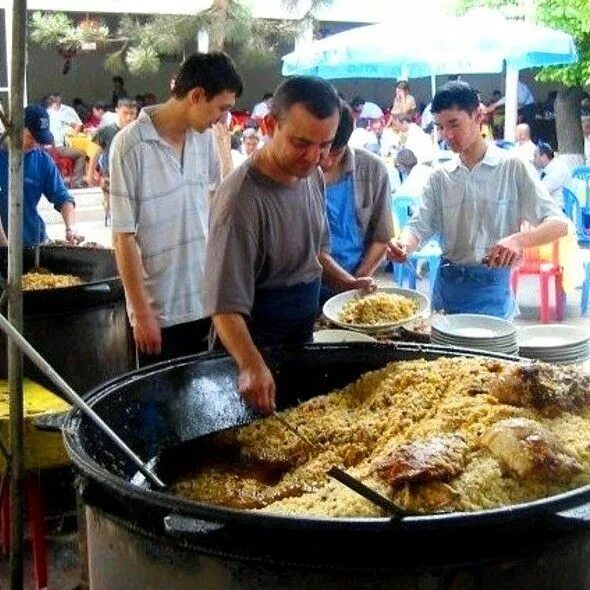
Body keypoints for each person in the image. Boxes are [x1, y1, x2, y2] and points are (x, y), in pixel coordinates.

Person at [204, 76, 376, 414]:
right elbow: (223, 306)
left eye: (325, 145)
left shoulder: (309, 174)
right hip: (251, 348)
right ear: (270, 125)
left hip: (299, 338)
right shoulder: (240, 200)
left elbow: (317, 250)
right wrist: (251, 364)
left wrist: (345, 280)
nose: (314, 156)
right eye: (301, 142)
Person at [386, 81, 568, 319]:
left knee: (490, 354)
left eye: (454, 124)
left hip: (493, 287)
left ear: (478, 116)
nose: (447, 135)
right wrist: (404, 246)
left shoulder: (511, 168)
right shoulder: (440, 177)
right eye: (440, 127)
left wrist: (519, 240)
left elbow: (559, 225)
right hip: (446, 286)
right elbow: (419, 226)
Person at [110, 52, 243, 367]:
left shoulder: (205, 140)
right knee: (159, 406)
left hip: (205, 301)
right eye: (222, 108)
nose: (223, 119)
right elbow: (123, 237)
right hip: (160, 312)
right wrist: (142, 314)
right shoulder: (129, 145)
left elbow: (214, 208)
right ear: (196, 96)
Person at [319, 101, 393, 302]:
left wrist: (357, 280)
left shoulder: (373, 170)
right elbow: (310, 248)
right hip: (307, 284)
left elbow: (382, 237)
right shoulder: (300, 172)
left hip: (355, 281)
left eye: (335, 153)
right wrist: (343, 280)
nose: (326, 161)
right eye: (322, 151)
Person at [0, 105, 84, 246]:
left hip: (33, 241)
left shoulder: (42, 160)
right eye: (30, 136)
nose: (35, 142)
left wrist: (71, 228)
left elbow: (63, 198)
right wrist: (5, 248)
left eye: (38, 138)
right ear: (15, 127)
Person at [86, 98, 138, 220]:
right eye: (125, 113)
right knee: (112, 206)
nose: (129, 117)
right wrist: (90, 174)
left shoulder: (138, 132)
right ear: (117, 111)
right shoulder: (106, 131)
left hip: (133, 175)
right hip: (110, 174)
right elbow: (95, 155)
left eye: (132, 114)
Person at [47, 94, 86, 188]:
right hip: (58, 146)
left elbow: (78, 126)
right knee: (81, 154)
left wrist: (73, 130)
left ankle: (70, 179)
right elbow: (78, 126)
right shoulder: (55, 114)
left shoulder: (48, 113)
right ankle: (77, 183)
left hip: (50, 146)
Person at [533, 141, 572, 210]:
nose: (533, 159)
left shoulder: (557, 169)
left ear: (544, 157)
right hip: (550, 208)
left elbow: (540, 192)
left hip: (558, 211)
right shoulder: (546, 168)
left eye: (535, 156)